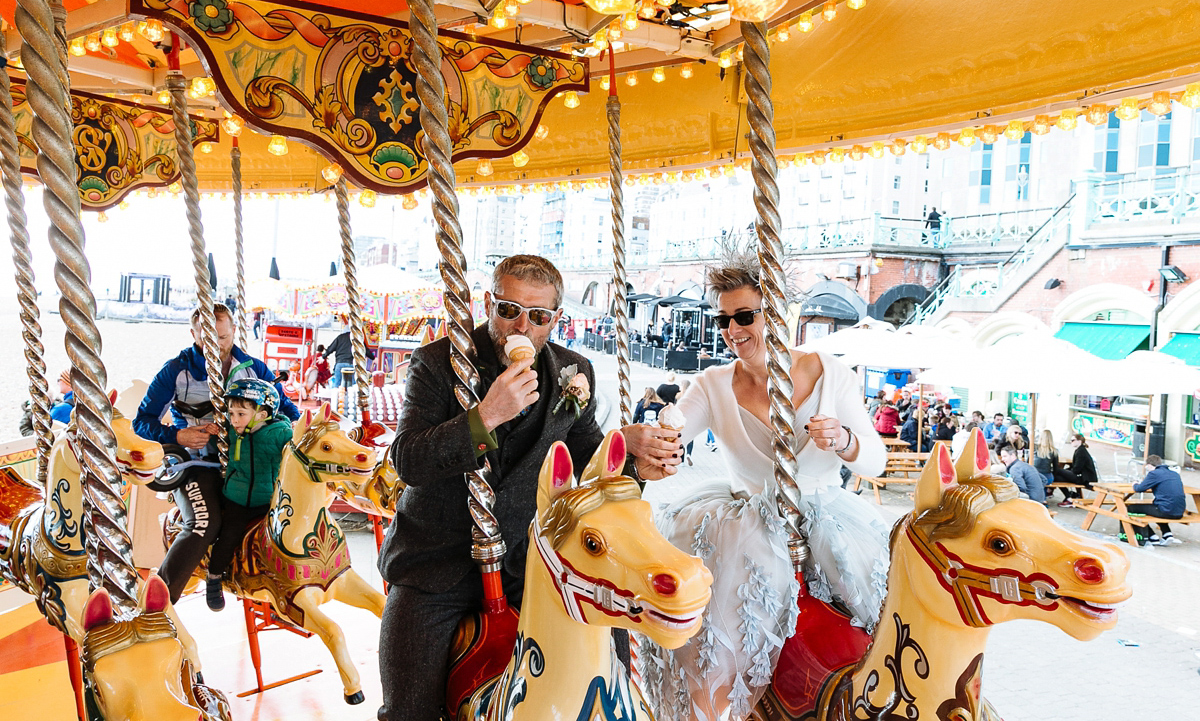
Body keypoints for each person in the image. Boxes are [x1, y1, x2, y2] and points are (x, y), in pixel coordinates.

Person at [375, 255, 678, 721]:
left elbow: (588, 468)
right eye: (508, 309)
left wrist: (635, 466)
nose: (521, 325)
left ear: (554, 320)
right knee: (406, 706)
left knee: (611, 657)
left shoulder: (573, 373)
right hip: (437, 560)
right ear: (487, 304)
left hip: (529, 560)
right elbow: (408, 460)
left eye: (538, 316)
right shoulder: (437, 363)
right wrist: (485, 417)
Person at [632, 250, 888, 721]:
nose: (732, 330)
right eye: (724, 319)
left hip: (829, 517)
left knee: (883, 619)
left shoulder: (832, 373)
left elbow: (876, 460)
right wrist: (656, 437)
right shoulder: (711, 383)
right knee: (716, 638)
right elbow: (674, 430)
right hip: (746, 523)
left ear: (775, 311)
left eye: (745, 316)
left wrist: (845, 439)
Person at [134, 303, 300, 604]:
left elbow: (289, 412)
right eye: (206, 338)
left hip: (248, 465)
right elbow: (142, 421)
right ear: (193, 333)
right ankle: (157, 604)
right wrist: (177, 434)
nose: (216, 346)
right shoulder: (176, 371)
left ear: (234, 331)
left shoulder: (254, 369)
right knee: (203, 522)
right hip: (199, 463)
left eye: (222, 338)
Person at [204, 378, 292, 611]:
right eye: (231, 413)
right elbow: (220, 434)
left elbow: (296, 448)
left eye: (240, 414)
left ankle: (277, 584)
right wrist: (214, 430)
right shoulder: (233, 431)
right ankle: (213, 578)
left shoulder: (279, 434)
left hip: (267, 499)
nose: (233, 419)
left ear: (262, 414)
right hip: (237, 498)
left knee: (278, 542)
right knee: (229, 536)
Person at [1127, 455, 1186, 545]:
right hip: (1180, 511)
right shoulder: (1174, 474)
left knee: (1131, 508)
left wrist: (1134, 484)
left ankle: (1151, 536)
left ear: (1150, 465)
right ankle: (1167, 534)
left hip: (1165, 510)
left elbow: (1139, 488)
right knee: (1156, 506)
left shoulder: (1154, 474)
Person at [1052, 433, 1098, 506]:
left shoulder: (1081, 452)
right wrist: (1067, 472)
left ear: (1079, 441)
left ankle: (1051, 491)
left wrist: (1066, 472)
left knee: (1057, 471)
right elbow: (1074, 468)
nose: (1071, 442)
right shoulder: (1079, 450)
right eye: (1070, 440)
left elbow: (1076, 470)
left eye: (1073, 440)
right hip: (1080, 476)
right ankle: (1069, 497)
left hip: (1085, 479)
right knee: (1057, 477)